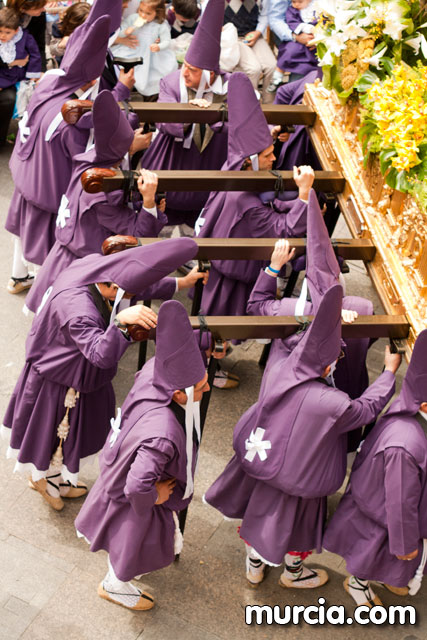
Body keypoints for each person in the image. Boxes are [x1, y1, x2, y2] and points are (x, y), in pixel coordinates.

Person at [204, 284, 401, 588]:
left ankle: (254, 567)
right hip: (303, 480)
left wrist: (328, 320)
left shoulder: (280, 368)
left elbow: (297, 340)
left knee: (258, 521)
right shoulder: (332, 403)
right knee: (298, 532)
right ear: (325, 365)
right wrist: (388, 374)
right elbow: (366, 409)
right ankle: (293, 573)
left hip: (265, 468)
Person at [0, 237, 200, 512]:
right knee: (56, 439)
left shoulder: (96, 266)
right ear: (113, 287)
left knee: (64, 439)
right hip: (60, 383)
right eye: (124, 293)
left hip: (72, 374)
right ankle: (45, 481)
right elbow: (100, 354)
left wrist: (180, 283)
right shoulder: (79, 310)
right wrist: (121, 322)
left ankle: (52, 478)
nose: (129, 296)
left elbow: (134, 282)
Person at [75, 299, 209, 610]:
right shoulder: (163, 436)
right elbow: (137, 487)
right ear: (179, 394)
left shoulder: (153, 372)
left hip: (116, 473)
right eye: (201, 388)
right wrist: (155, 496)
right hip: (137, 500)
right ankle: (114, 586)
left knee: (125, 541)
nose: (206, 391)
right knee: (130, 546)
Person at [5, 1, 134, 293]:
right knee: (47, 256)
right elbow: (88, 158)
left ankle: (18, 277)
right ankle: (45, 300)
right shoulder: (74, 118)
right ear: (92, 78)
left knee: (23, 239)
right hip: (52, 189)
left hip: (29, 177)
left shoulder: (50, 82)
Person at [23, 89, 163, 314]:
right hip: (85, 268)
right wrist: (148, 204)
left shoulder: (87, 161)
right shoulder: (101, 191)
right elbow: (137, 233)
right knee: (77, 321)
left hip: (63, 255)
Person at [323, 329, 427, 607]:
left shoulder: (410, 413)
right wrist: (405, 544)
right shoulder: (405, 445)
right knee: (371, 556)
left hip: (385, 509)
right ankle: (358, 584)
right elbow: (401, 502)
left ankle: (386, 575)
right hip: (382, 515)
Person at [196, 72, 311, 320]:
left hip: (223, 254)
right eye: (268, 155)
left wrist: (269, 134)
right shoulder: (246, 202)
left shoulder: (234, 165)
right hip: (236, 268)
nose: (274, 158)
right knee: (226, 320)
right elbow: (285, 230)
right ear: (251, 162)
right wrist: (303, 197)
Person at [141, 0, 229, 227]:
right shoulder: (171, 82)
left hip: (212, 161)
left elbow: (241, 124)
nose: (185, 73)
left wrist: (213, 118)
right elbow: (164, 121)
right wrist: (193, 113)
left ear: (210, 73)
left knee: (203, 220)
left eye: (193, 70)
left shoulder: (230, 86)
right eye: (185, 66)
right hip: (172, 159)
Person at [111, 0, 177, 100]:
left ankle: (147, 93)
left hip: (150, 55)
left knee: (150, 74)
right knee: (122, 66)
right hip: (131, 50)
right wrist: (126, 32)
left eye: (148, 13)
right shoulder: (133, 18)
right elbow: (119, 32)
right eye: (141, 10)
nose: (142, 15)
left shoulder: (160, 25)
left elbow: (166, 41)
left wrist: (159, 46)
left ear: (157, 13)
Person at [0, 6, 41, 146]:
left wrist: (32, 75)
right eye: (0, 31)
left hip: (13, 76)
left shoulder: (25, 38)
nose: (2, 36)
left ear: (16, 30)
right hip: (3, 72)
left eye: (7, 32)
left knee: (11, 99)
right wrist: (14, 62)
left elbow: (35, 55)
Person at [224, 0, 276, 103]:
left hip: (254, 35)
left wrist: (258, 32)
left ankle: (270, 106)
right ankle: (250, 105)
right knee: (253, 69)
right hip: (232, 38)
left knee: (272, 66)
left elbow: (265, 14)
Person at [275, 0, 318, 83]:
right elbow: (291, 21)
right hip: (298, 39)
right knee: (290, 51)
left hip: (314, 42)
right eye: (294, 2)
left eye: (300, 2)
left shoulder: (317, 9)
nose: (296, 4)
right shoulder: (293, 10)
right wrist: (303, 28)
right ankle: (278, 74)